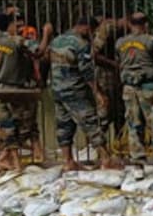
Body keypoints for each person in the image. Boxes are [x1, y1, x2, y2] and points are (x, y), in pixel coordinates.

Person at [0, 12, 50, 170]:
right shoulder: (17, 41)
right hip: (17, 89)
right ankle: (15, 159)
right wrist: (46, 34)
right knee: (23, 124)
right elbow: (39, 52)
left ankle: (13, 160)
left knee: (6, 124)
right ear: (9, 24)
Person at [49, 17, 119, 171]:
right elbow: (87, 71)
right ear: (87, 28)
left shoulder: (56, 41)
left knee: (64, 125)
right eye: (92, 32)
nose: (92, 35)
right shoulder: (81, 44)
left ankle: (68, 161)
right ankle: (106, 159)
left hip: (57, 89)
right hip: (75, 90)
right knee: (91, 123)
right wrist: (98, 93)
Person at [116, 13, 153, 164]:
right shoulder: (151, 41)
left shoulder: (120, 42)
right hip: (149, 86)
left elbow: (119, 62)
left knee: (134, 123)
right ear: (145, 24)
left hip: (129, 88)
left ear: (130, 24)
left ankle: (137, 162)